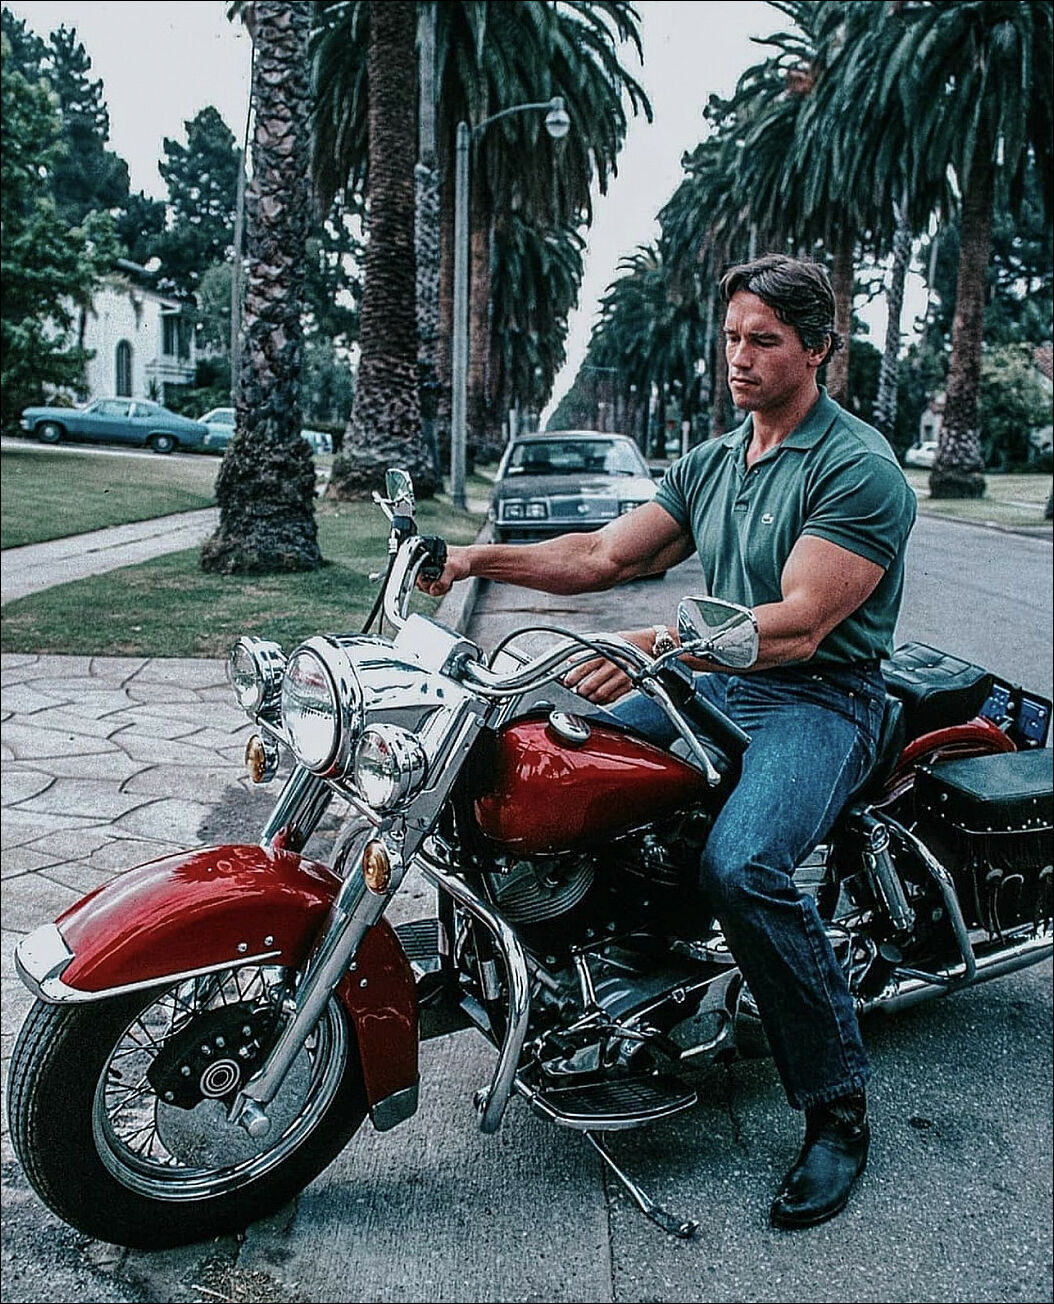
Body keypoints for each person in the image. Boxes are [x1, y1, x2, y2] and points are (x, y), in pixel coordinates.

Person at [419, 253, 917, 1229]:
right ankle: (604, 957)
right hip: (719, 680)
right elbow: (604, 553)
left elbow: (801, 623)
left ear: (819, 348)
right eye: (731, 337)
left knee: (745, 867)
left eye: (764, 340)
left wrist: (657, 642)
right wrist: (472, 557)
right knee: (543, 753)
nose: (739, 358)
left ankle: (836, 1106)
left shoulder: (856, 467)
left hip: (820, 698)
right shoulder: (716, 458)